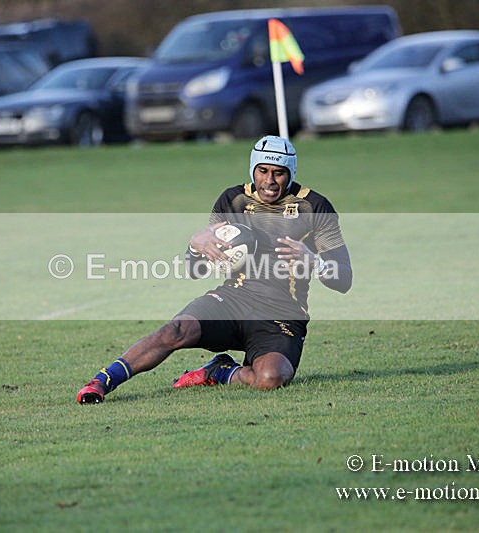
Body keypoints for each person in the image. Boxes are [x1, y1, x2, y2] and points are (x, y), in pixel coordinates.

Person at [76, 135, 352, 404]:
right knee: (175, 331)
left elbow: (344, 279)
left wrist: (315, 262)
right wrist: (195, 246)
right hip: (232, 300)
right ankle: (102, 382)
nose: (269, 181)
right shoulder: (232, 200)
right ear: (253, 169)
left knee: (271, 378)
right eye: (263, 171)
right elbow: (196, 270)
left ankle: (220, 371)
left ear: (290, 173)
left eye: (278, 173)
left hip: (282, 314)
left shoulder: (314, 206)